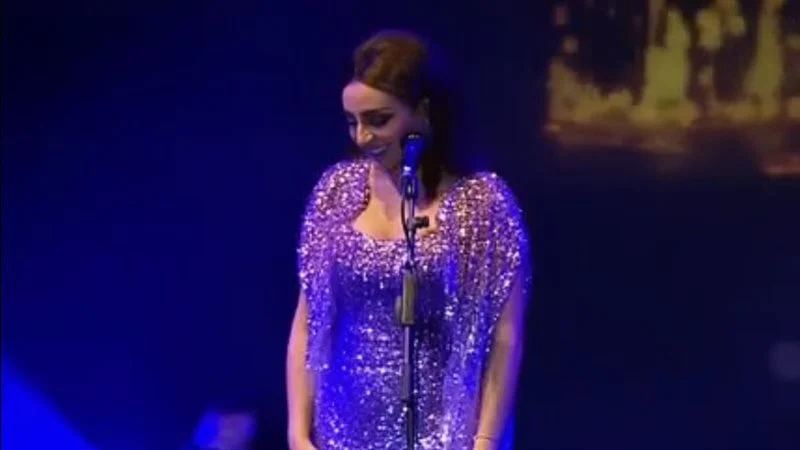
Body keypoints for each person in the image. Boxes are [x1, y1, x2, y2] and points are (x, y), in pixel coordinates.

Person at [286, 29, 532, 450]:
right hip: (340, 430)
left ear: (423, 112)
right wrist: (298, 431)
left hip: (444, 434)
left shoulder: (482, 204)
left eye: (378, 120)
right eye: (352, 122)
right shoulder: (337, 192)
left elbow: (504, 338)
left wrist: (486, 440)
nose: (361, 137)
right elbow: (309, 321)